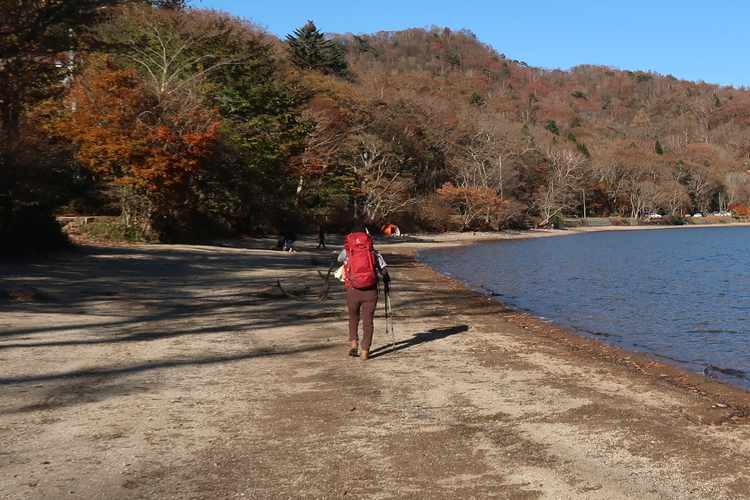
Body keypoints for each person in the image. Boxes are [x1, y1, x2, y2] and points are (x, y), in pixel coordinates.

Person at [338, 225, 390, 360]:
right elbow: (384, 271)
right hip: (370, 291)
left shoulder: (347, 251)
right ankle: (365, 350)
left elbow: (339, 259)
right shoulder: (374, 253)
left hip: (352, 289)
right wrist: (386, 279)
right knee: (368, 321)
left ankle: (353, 343)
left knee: (353, 317)